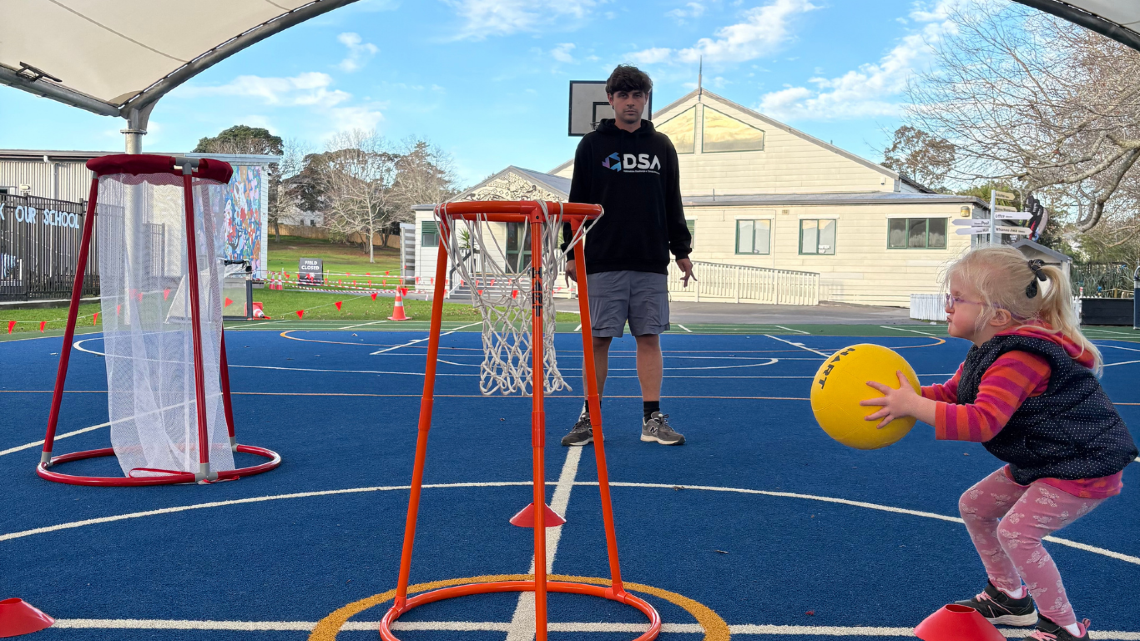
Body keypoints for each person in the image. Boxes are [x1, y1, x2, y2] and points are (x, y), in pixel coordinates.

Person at [861, 245, 1136, 641]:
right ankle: (1009, 596)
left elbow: (982, 422)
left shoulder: (1020, 359)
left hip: (1082, 464)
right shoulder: (986, 353)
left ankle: (1065, 629)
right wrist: (906, 399)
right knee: (975, 505)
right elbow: (954, 395)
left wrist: (913, 405)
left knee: (1017, 533)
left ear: (997, 315)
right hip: (1045, 458)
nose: (948, 307)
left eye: (956, 299)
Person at [560, 64, 695, 447]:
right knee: (598, 341)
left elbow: (673, 201)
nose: (631, 103)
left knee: (648, 338)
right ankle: (589, 416)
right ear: (611, 99)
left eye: (638, 96)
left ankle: (652, 420)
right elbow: (576, 203)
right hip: (602, 259)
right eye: (624, 96)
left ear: (646, 100)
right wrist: (569, 252)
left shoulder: (662, 146)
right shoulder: (591, 145)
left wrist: (681, 250)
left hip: (650, 259)